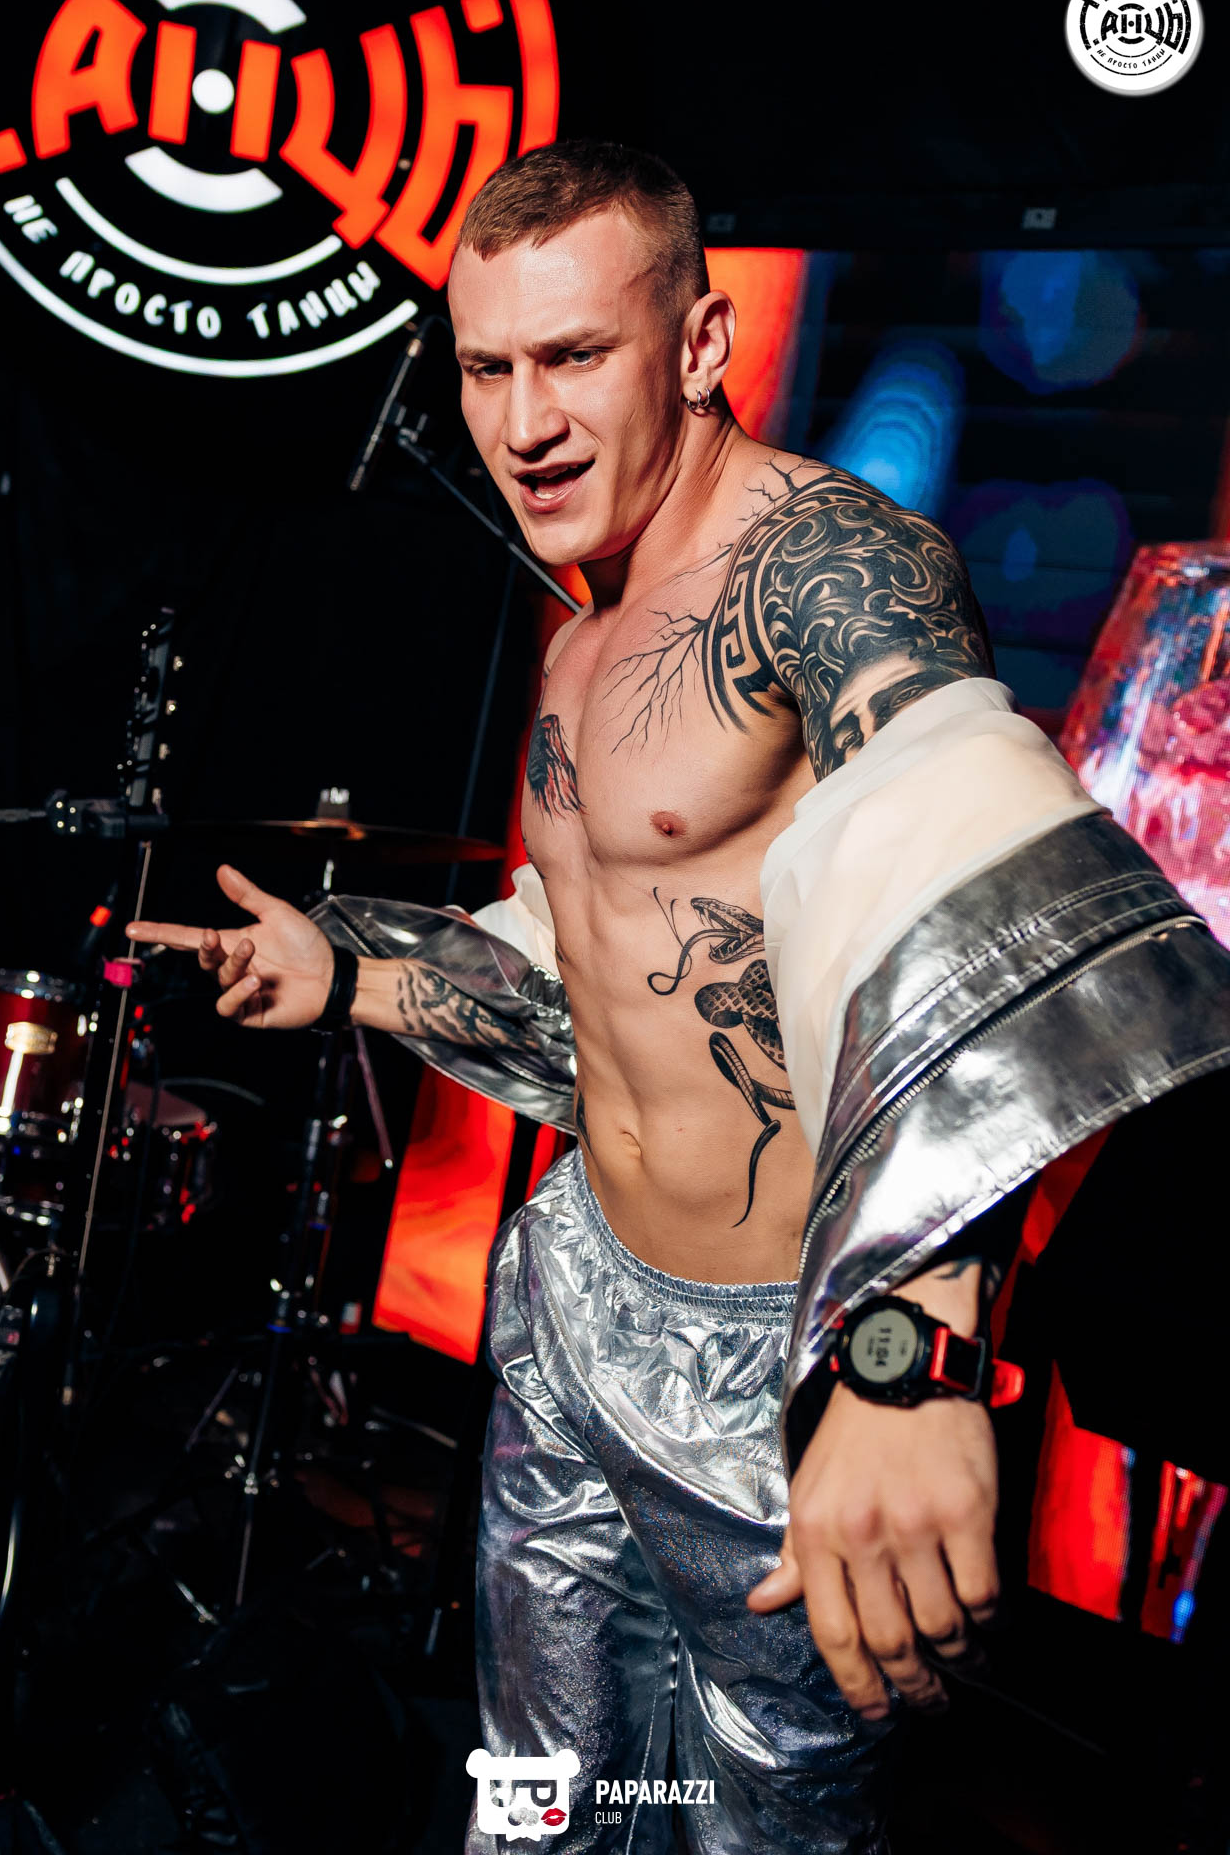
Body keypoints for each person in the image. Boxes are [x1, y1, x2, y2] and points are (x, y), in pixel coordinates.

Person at [129, 142, 1230, 1853]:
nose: (524, 422)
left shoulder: (829, 563)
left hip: (770, 1369)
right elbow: (621, 977)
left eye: (575, 356)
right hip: (577, 1300)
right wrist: (351, 974)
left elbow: (965, 884)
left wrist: (904, 1360)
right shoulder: (587, 627)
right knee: (538, 1803)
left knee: (756, 1830)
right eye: (487, 368)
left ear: (703, 343)